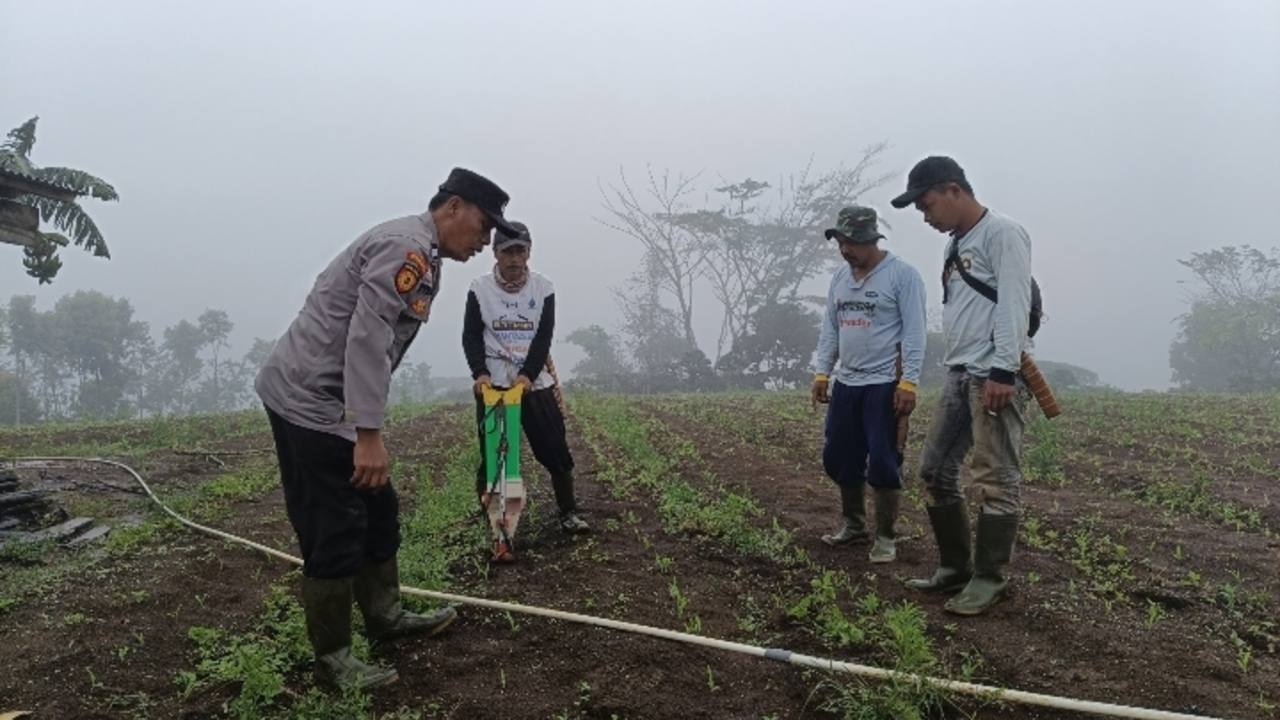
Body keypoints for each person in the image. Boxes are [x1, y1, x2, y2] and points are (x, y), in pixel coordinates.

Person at [256, 167, 518, 689]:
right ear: (454, 208)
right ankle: (333, 660)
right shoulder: (407, 248)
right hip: (310, 400)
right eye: (484, 226)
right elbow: (368, 339)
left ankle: (385, 615)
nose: (486, 242)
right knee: (335, 525)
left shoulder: (425, 253)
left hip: (334, 401)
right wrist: (368, 434)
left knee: (379, 507)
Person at [891, 156, 1032, 616]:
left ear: (954, 190)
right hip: (959, 371)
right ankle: (955, 567)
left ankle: (989, 578)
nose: (926, 217)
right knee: (934, 471)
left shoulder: (1003, 233)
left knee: (995, 478)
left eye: (928, 205)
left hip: (993, 372)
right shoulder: (956, 244)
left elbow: (1014, 302)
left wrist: (1003, 370)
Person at [811, 205, 926, 564]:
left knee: (883, 460)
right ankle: (854, 524)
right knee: (838, 456)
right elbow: (831, 328)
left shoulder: (902, 276)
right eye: (841, 242)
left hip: (884, 383)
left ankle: (886, 536)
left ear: (872, 240)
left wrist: (909, 382)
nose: (846, 250)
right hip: (848, 383)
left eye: (853, 243)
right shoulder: (839, 280)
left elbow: (915, 332)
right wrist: (822, 372)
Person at [463, 221, 588, 534]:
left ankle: (568, 512)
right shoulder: (480, 289)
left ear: (529, 252)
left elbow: (543, 337)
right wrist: (479, 373)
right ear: (496, 254)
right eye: (508, 252)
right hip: (494, 383)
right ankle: (494, 523)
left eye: (520, 251)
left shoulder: (543, 288)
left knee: (554, 448)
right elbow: (471, 336)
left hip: (533, 382)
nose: (514, 259)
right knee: (494, 455)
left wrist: (527, 375)